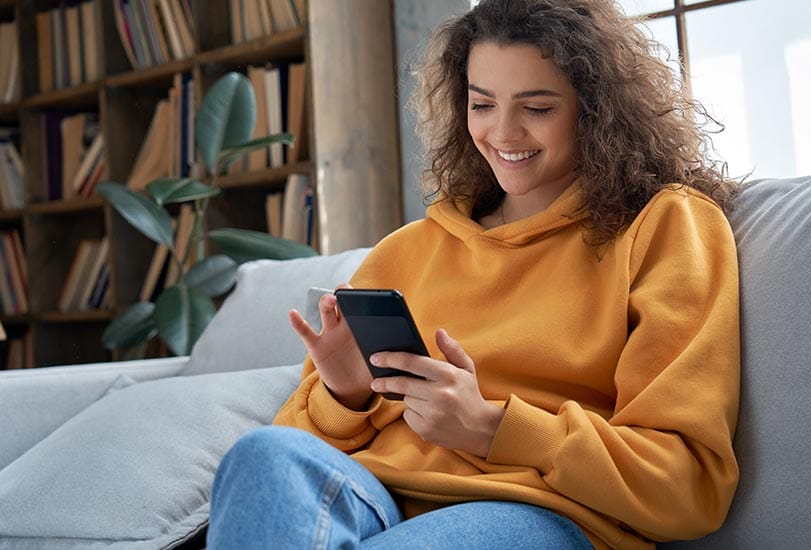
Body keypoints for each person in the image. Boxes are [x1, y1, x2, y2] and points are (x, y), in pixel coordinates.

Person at [207, 0, 741, 548]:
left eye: (536, 107)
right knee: (263, 455)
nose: (503, 133)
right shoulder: (408, 250)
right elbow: (292, 476)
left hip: (533, 511)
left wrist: (491, 427)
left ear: (596, 109)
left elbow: (687, 486)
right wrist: (345, 395)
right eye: (482, 104)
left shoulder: (665, 225)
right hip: (375, 496)